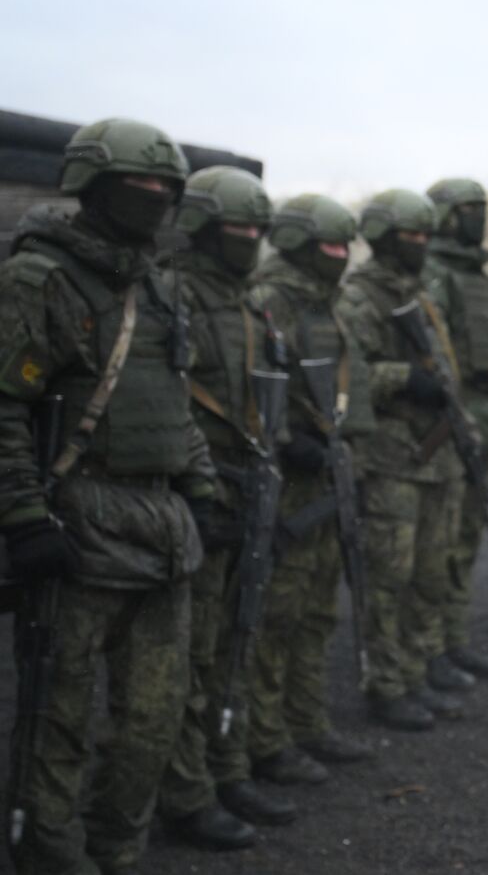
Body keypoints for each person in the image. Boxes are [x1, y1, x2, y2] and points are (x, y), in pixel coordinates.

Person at [0, 118, 218, 875]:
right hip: (76, 524)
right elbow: (4, 408)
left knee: (152, 719)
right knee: (54, 720)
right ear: (91, 185)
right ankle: (51, 858)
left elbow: (175, 400)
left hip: (163, 532)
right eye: (141, 185)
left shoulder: (158, 283)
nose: (156, 198)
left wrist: (204, 486)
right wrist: (24, 516)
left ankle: (116, 847)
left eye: (168, 188)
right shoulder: (41, 279)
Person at [157, 166, 297, 848]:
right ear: (200, 227)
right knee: (195, 650)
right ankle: (186, 790)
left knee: (240, 636)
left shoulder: (250, 304)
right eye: (237, 227)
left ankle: (227, 763)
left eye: (257, 230)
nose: (249, 239)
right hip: (195, 493)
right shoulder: (169, 292)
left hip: (248, 491)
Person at [246, 193, 375, 784]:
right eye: (330, 245)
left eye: (346, 246)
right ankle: (265, 740)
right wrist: (286, 439)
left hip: (330, 472)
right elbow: (254, 386)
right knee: (278, 615)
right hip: (291, 477)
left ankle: (307, 722)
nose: (342, 255)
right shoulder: (271, 298)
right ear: (298, 243)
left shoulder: (329, 304)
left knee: (319, 611)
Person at [337, 188, 470, 731]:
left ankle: (415, 674)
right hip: (392, 456)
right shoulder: (359, 299)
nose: (419, 245)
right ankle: (386, 686)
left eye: (425, 236)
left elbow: (444, 370)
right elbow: (349, 374)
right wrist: (403, 378)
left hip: (436, 455)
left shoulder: (422, 297)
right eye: (409, 236)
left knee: (430, 571)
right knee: (390, 575)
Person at [421, 177, 488, 682]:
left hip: (487, 417)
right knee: (440, 542)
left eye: (482, 206)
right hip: (450, 423)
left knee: (466, 536)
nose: (477, 216)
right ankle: (430, 647)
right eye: (467, 208)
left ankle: (452, 639)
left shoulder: (482, 278)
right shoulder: (433, 275)